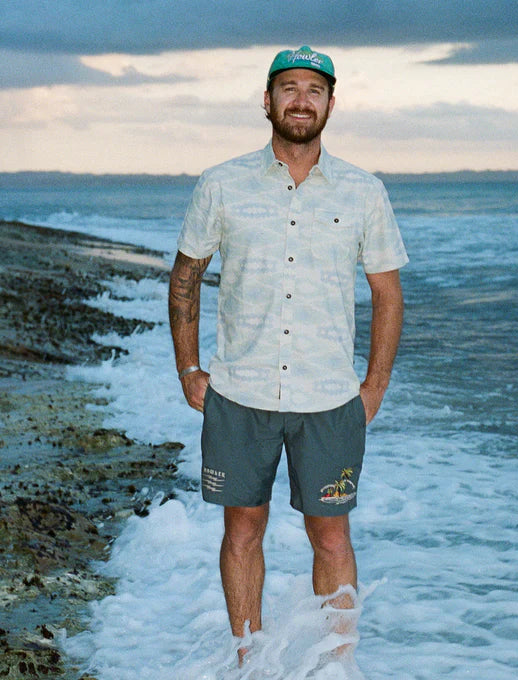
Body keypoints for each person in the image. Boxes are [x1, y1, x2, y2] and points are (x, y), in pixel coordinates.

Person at [168, 45, 408, 663]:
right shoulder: (221, 183)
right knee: (241, 529)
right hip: (240, 391)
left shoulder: (363, 191)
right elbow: (186, 275)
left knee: (330, 536)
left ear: (330, 103)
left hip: (329, 398)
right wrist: (189, 367)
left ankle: (336, 666)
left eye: (314, 90)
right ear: (267, 100)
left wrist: (374, 387)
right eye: (289, 88)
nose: (301, 100)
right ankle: (249, 661)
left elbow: (387, 293)